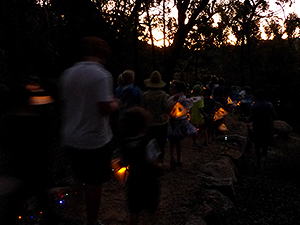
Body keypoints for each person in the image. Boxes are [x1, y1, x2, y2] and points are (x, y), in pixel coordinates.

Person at [60, 36, 119, 225]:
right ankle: (91, 221)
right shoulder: (101, 75)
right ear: (101, 54)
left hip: (70, 135)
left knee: (77, 178)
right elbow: (103, 108)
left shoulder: (68, 74)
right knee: (94, 184)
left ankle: (71, 214)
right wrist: (115, 104)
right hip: (94, 139)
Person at [119, 107, 164, 225]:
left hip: (133, 182)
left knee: (134, 210)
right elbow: (153, 161)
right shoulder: (148, 141)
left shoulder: (125, 143)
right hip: (149, 182)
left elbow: (122, 162)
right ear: (145, 126)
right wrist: (162, 166)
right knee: (151, 209)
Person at [142, 71, 171, 161]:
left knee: (149, 145)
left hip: (149, 123)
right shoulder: (163, 95)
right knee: (161, 145)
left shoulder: (145, 95)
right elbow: (167, 108)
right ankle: (159, 163)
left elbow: (142, 108)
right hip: (161, 124)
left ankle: (150, 163)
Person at [168, 80, 197, 168]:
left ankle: (172, 158)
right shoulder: (184, 98)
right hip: (182, 122)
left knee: (172, 142)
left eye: (172, 87)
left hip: (174, 122)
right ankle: (178, 159)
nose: (170, 89)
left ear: (176, 89)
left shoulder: (172, 98)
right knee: (178, 142)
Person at [247, 89, 277, 170]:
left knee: (257, 146)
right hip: (267, 128)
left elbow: (250, 118)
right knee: (265, 146)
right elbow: (274, 116)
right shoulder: (269, 105)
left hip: (257, 128)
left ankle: (258, 162)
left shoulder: (254, 106)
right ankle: (264, 161)